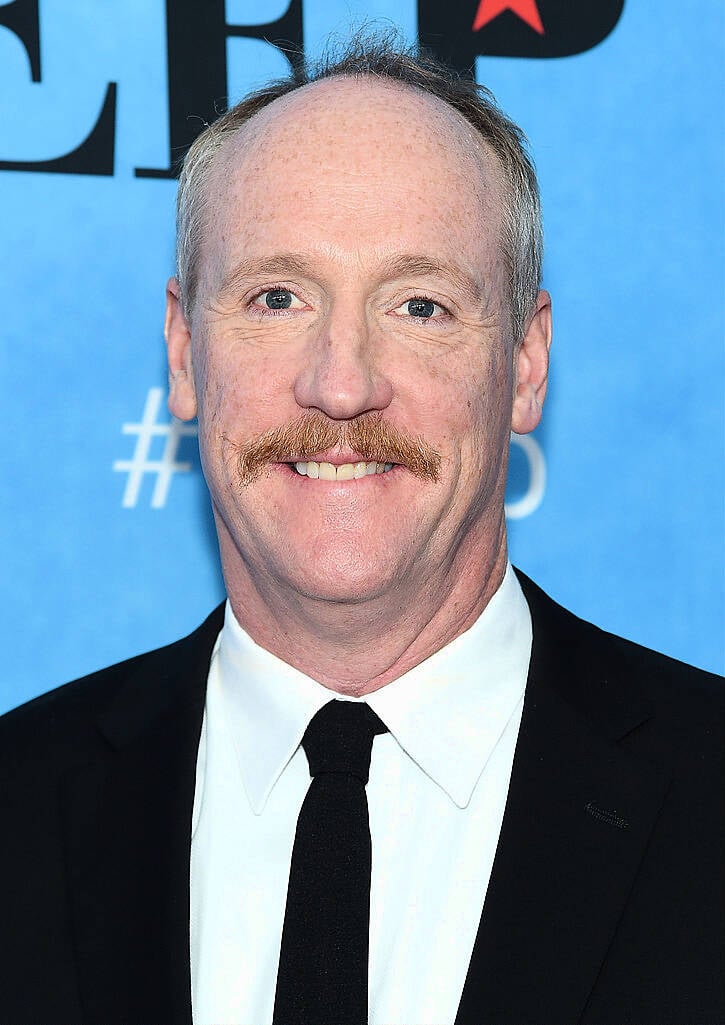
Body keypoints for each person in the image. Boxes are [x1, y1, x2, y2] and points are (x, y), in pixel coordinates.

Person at [0, 34, 722, 1025]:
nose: (340, 382)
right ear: (182, 351)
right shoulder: (17, 806)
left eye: (418, 304)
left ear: (522, 363)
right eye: (277, 297)